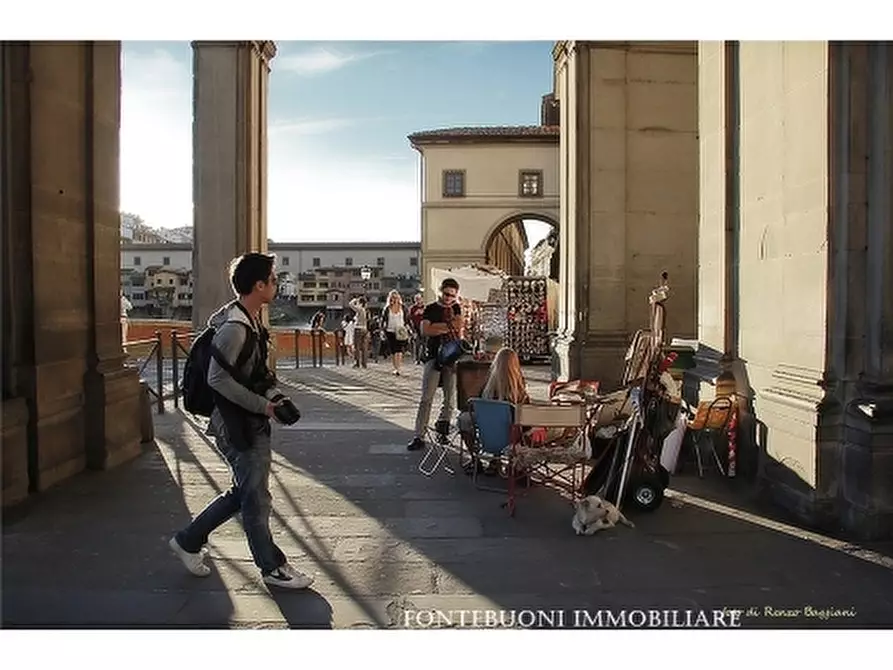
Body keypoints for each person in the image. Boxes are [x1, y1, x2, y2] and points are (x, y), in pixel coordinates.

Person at [168, 252, 314, 590]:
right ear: (259, 285)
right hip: (235, 422)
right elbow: (218, 379)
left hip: (247, 418)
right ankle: (272, 568)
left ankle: (189, 541)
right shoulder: (234, 328)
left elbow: (255, 372)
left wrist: (276, 397)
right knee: (256, 497)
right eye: (274, 279)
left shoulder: (250, 320)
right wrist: (264, 407)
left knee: (245, 492)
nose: (277, 284)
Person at [407, 278, 464, 452]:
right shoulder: (431, 308)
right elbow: (425, 330)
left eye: (453, 296)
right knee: (426, 398)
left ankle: (442, 430)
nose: (449, 298)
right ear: (440, 291)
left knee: (450, 399)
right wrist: (448, 326)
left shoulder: (456, 308)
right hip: (433, 355)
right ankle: (419, 435)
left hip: (452, 356)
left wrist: (438, 327)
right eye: (446, 294)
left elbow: (459, 325)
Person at [383, 290, 410, 376]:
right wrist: (382, 329)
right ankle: (395, 368)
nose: (394, 299)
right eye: (392, 297)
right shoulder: (387, 308)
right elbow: (383, 320)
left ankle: (398, 368)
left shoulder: (403, 307)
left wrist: (408, 328)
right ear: (390, 298)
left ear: (399, 298)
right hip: (390, 331)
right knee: (394, 350)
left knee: (399, 350)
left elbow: (407, 319)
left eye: (396, 297)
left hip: (401, 331)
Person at [348, 296, 369, 368]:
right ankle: (364, 363)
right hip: (365, 329)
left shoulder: (360, 309)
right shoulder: (365, 310)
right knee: (364, 347)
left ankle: (357, 363)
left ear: (360, 303)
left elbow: (350, 304)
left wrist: (355, 300)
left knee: (357, 347)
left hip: (358, 329)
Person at [409, 293, 425, 364]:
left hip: (425, 328)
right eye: (417, 299)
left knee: (425, 344)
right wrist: (415, 314)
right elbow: (409, 319)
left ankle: (423, 358)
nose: (418, 300)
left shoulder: (425, 308)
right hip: (416, 329)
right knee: (417, 344)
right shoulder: (412, 308)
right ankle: (417, 359)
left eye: (419, 299)